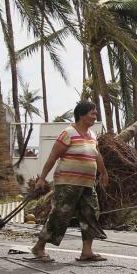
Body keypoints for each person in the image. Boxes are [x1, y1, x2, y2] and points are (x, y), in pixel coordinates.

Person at [29, 101, 109, 263]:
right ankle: (39, 247)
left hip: (87, 183)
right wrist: (42, 178)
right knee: (60, 214)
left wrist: (104, 173)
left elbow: (97, 156)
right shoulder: (68, 133)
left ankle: (87, 251)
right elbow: (53, 156)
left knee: (91, 213)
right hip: (67, 183)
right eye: (92, 113)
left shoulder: (92, 136)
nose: (95, 117)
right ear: (81, 115)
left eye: (95, 114)